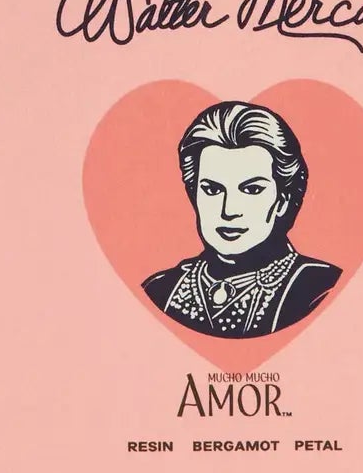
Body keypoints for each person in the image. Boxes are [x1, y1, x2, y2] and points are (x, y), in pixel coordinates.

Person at [142, 101, 340, 339]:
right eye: (213, 190)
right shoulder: (160, 289)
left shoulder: (320, 287)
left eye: (252, 190)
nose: (229, 210)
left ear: (283, 200)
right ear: (194, 195)